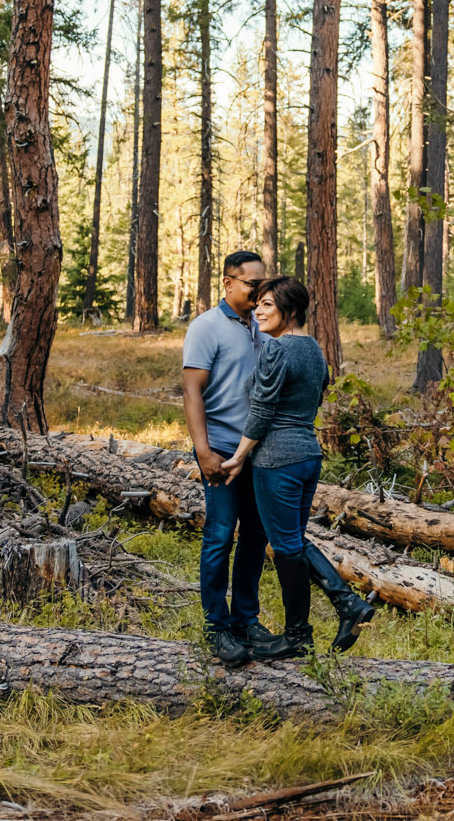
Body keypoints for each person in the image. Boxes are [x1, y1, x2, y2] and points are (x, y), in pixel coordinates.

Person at [220, 275, 376, 658]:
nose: (258, 310)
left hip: (277, 459)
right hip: (308, 455)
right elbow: (315, 397)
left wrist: (239, 457)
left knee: (287, 545)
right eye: (257, 304)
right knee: (292, 542)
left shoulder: (277, 351)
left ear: (289, 309)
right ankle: (337, 610)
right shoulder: (314, 350)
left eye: (267, 304)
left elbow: (261, 411)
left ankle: (302, 632)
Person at [181, 250, 271, 667]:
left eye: (262, 282)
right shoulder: (206, 327)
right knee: (220, 535)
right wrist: (203, 451)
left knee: (256, 536)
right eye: (252, 283)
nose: (259, 289)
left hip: (260, 452)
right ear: (228, 283)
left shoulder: (264, 327)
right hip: (220, 450)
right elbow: (192, 392)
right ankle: (217, 628)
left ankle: (245, 620)